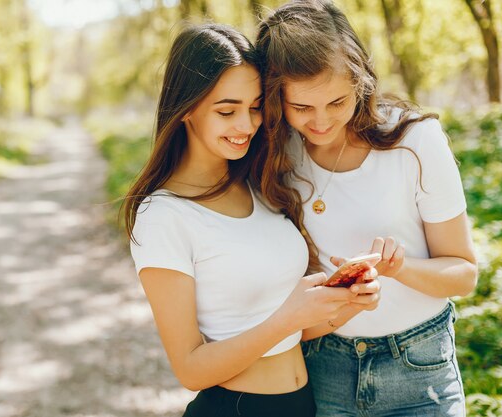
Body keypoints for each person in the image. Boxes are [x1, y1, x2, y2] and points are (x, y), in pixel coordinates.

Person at [123, 23, 380, 417]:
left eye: (255, 107)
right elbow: (190, 369)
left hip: (303, 403)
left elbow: (285, 332)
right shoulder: (163, 215)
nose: (246, 126)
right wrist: (288, 317)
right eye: (227, 110)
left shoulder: (259, 186)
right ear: (187, 108)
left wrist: (343, 304)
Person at [254, 1, 478, 416]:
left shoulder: (415, 141)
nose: (320, 122)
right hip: (324, 369)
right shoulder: (274, 155)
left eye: (337, 102)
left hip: (419, 370)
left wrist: (399, 269)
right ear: (274, 98)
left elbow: (463, 273)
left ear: (360, 82)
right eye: (301, 108)